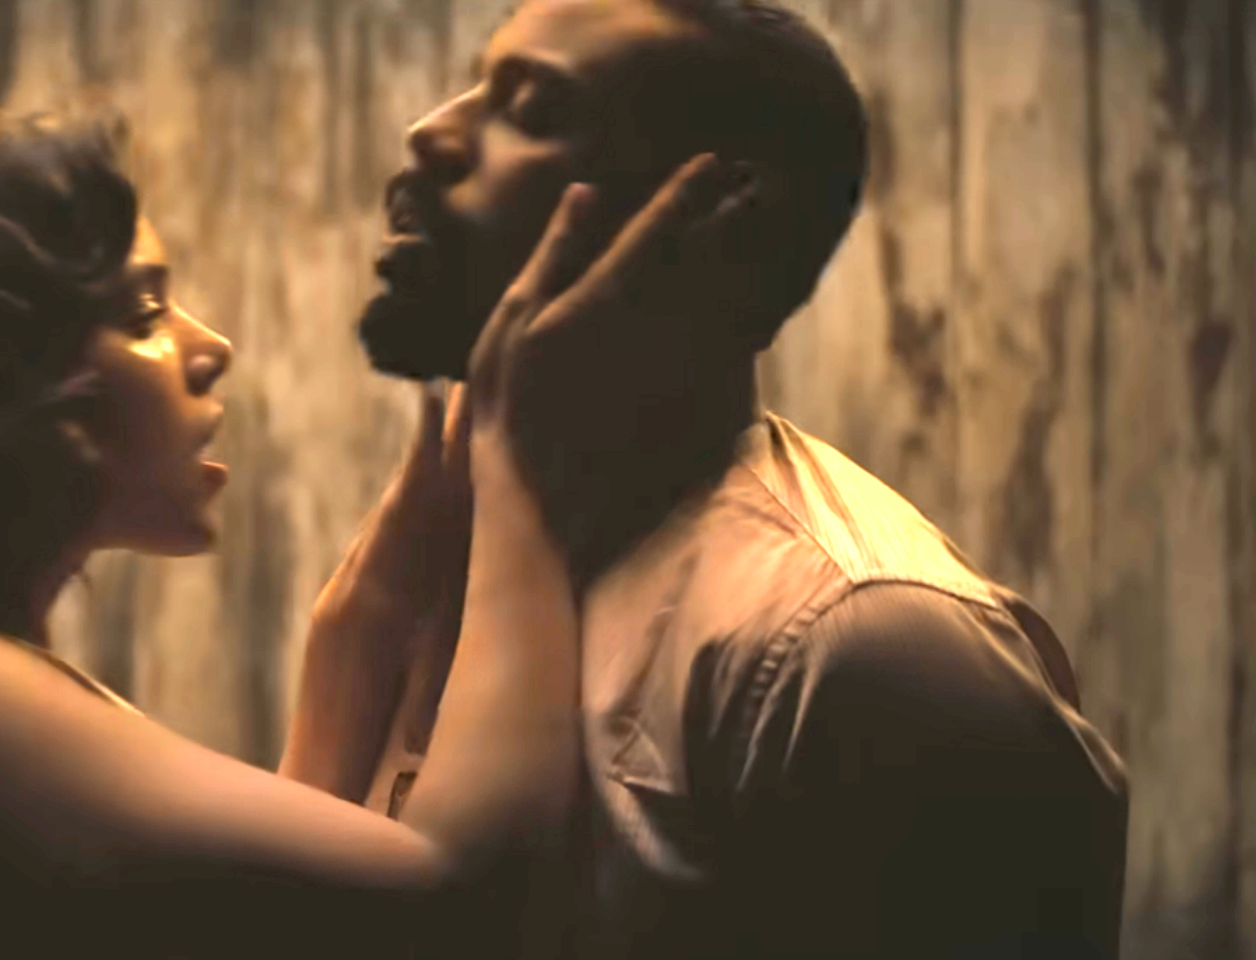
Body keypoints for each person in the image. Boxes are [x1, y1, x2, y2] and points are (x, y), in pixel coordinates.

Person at [0, 107, 732, 958]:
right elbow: (459, 904)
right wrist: (520, 463)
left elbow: (281, 929)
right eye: (145, 311)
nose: (209, 346)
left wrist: (367, 614)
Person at [283, 1, 1131, 957]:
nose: (429, 131)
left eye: (534, 108)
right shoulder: (435, 580)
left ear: (724, 218)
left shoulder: (856, 647)